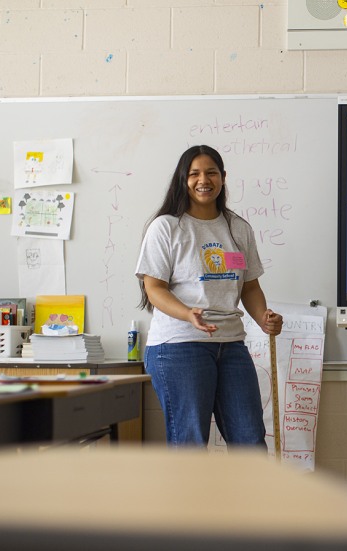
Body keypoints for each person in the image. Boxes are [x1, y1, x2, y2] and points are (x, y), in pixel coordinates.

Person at [135, 145, 282, 449]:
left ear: (223, 177)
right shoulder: (166, 227)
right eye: (194, 174)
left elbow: (249, 286)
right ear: (183, 179)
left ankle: (250, 499)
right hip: (179, 346)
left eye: (211, 172)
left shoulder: (237, 228)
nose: (204, 180)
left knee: (250, 441)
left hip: (230, 346)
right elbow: (155, 288)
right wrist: (188, 313)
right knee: (190, 445)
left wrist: (264, 318)